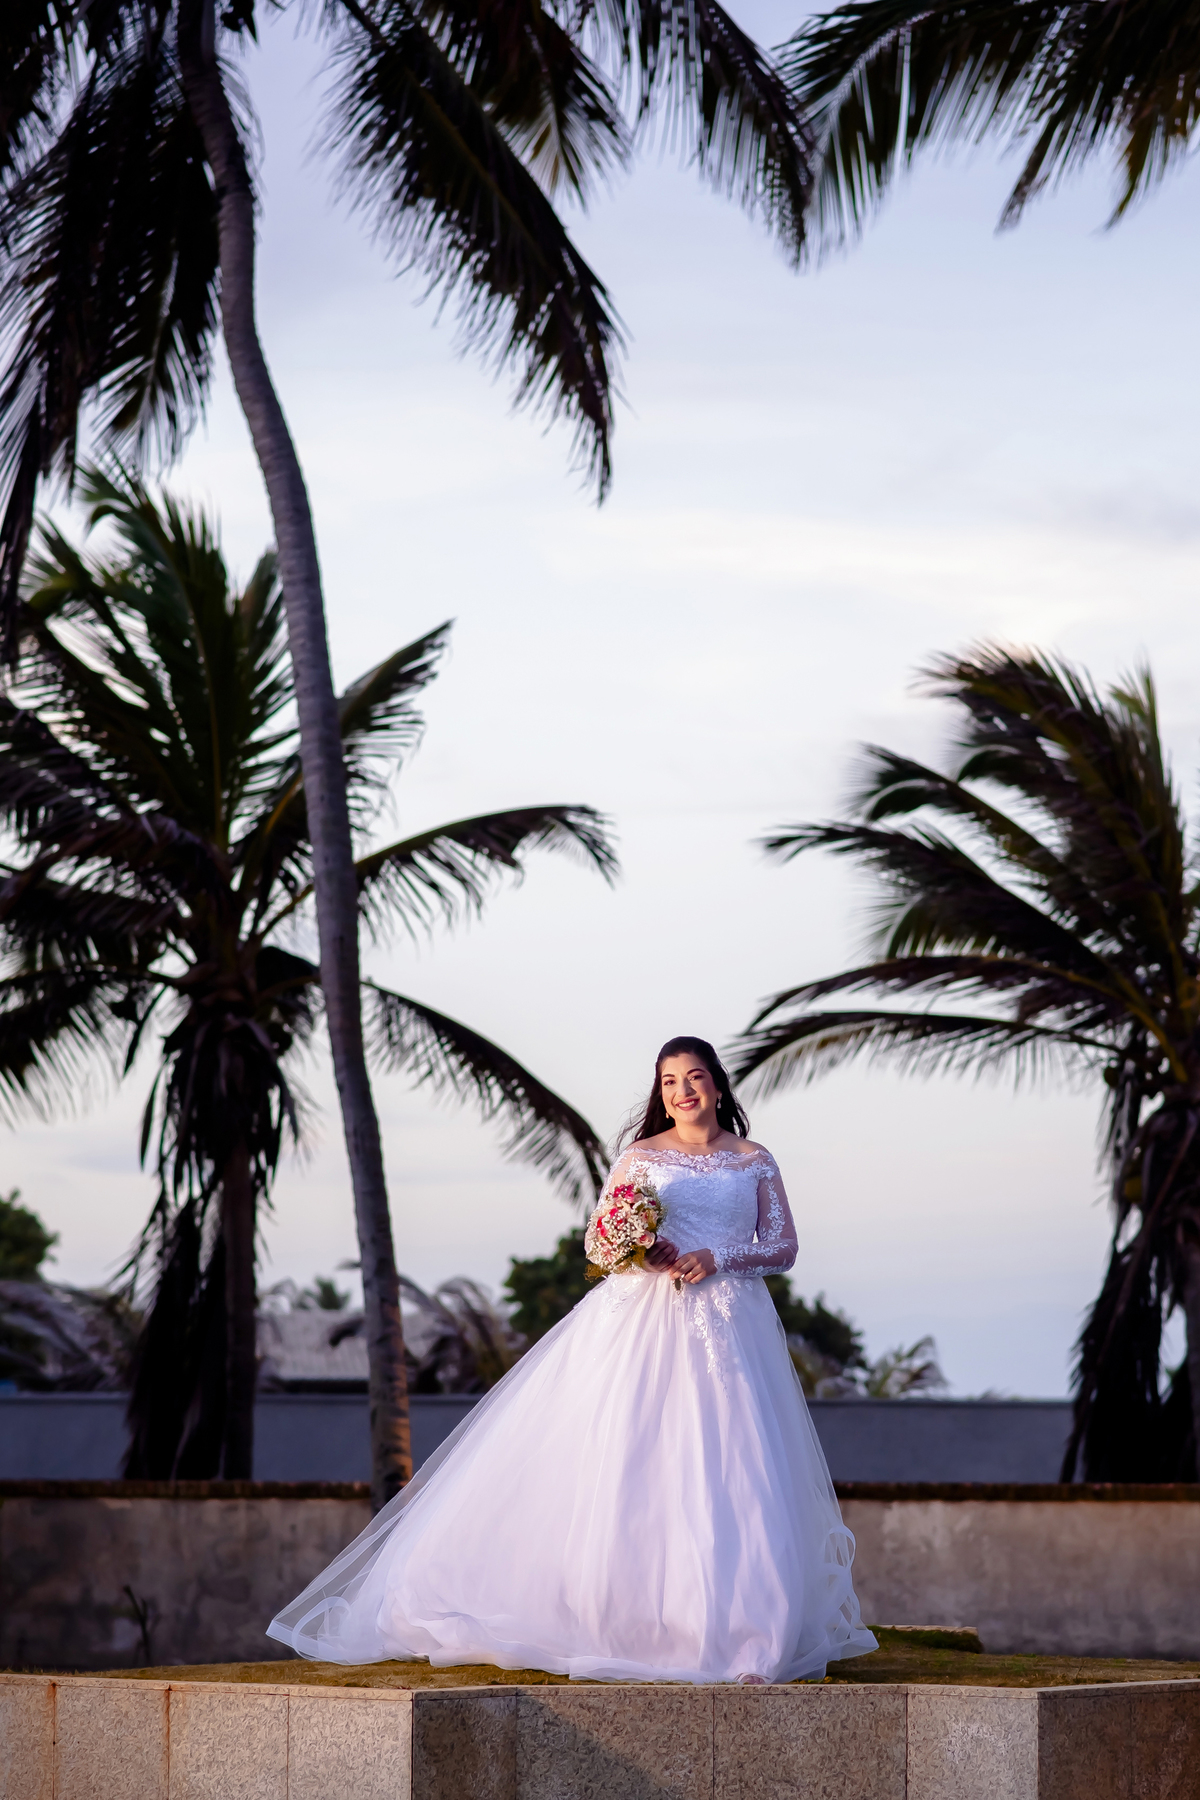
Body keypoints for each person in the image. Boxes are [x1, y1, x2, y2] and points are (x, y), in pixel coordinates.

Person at [267, 1035, 877, 1683]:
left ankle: (742, 1627)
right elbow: (600, 1235)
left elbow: (781, 1246)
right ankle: (620, 1615)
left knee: (734, 1462)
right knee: (630, 1455)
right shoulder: (640, 1157)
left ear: (718, 1086)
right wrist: (647, 1250)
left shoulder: (753, 1159)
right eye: (669, 1082)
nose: (683, 1091)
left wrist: (720, 1257)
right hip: (643, 1319)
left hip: (730, 1324)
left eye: (695, 1078)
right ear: (660, 1093)